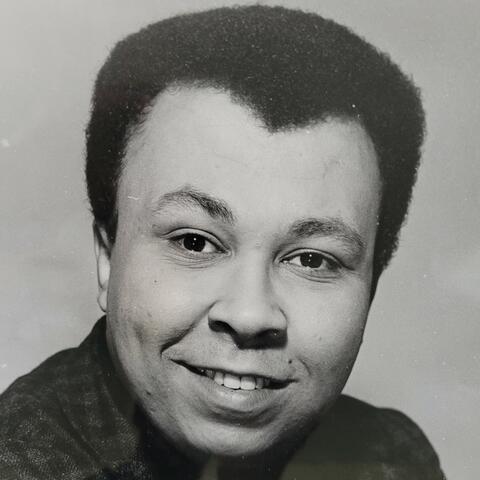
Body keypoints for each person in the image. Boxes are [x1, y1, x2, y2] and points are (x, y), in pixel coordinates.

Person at [0, 5, 445, 479]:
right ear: (107, 258)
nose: (250, 315)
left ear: (372, 285)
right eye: (195, 242)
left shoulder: (394, 459)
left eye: (312, 260)